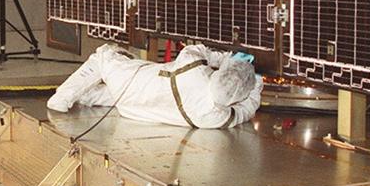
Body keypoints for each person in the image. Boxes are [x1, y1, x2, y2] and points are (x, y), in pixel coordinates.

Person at [46, 42, 262, 128]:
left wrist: (226, 59)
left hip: (130, 80)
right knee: (111, 95)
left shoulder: (194, 70)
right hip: (131, 110)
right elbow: (246, 111)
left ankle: (61, 97)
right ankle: (87, 97)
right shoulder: (215, 118)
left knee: (104, 54)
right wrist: (257, 85)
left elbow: (197, 50)